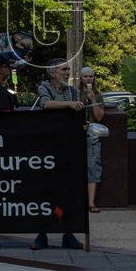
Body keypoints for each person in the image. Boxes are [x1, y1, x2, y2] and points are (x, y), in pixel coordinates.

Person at [30, 58, 85, 250]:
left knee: (68, 193)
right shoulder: (44, 88)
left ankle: (68, 234)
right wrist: (69, 105)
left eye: (68, 70)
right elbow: (46, 105)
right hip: (48, 149)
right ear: (52, 73)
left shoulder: (72, 91)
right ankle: (42, 234)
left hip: (67, 148)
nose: (67, 73)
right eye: (63, 70)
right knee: (46, 193)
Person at [79, 66, 106, 213]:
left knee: (93, 167)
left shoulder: (98, 95)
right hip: (77, 133)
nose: (88, 79)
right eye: (85, 76)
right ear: (81, 79)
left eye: (91, 76)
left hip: (92, 134)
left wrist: (93, 99)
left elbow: (100, 116)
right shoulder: (75, 93)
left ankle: (91, 202)